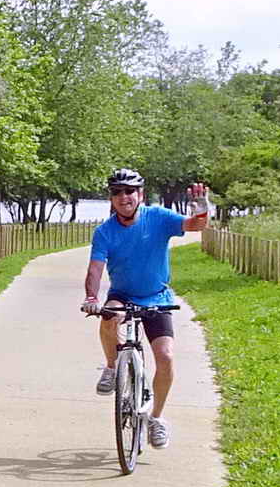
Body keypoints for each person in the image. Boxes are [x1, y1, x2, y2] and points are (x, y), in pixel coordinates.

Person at [81, 168, 209, 449]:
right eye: (117, 192)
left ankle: (157, 419)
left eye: (129, 191)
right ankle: (112, 367)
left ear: (140, 194)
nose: (123, 197)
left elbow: (196, 225)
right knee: (108, 315)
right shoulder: (105, 232)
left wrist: (202, 208)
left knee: (165, 357)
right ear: (111, 199)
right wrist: (92, 298)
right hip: (123, 296)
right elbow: (95, 269)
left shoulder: (159, 218)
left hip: (157, 298)